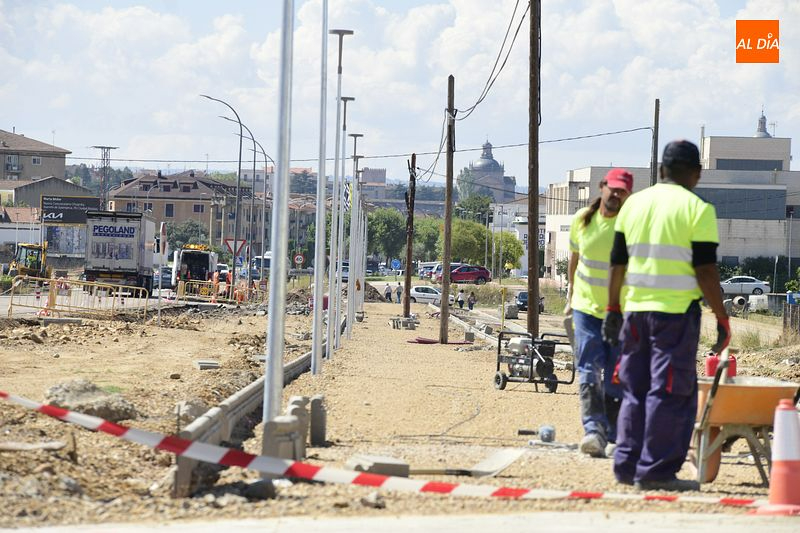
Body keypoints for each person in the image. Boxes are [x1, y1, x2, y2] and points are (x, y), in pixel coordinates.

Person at [602, 140, 729, 492]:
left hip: (635, 314)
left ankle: (627, 465)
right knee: (669, 392)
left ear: (661, 171)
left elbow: (617, 264)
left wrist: (613, 309)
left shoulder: (634, 205)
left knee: (635, 389)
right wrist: (722, 317)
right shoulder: (698, 209)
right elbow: (705, 270)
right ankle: (655, 471)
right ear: (696, 174)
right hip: (674, 317)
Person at [566, 168, 632, 459]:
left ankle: (616, 434)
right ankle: (594, 431)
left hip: (620, 311)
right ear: (602, 187)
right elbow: (574, 260)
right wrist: (570, 297)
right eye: (613, 189)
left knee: (616, 373)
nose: (616, 195)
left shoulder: (630, 226)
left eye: (623, 191)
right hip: (586, 309)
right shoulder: (582, 221)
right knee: (589, 368)